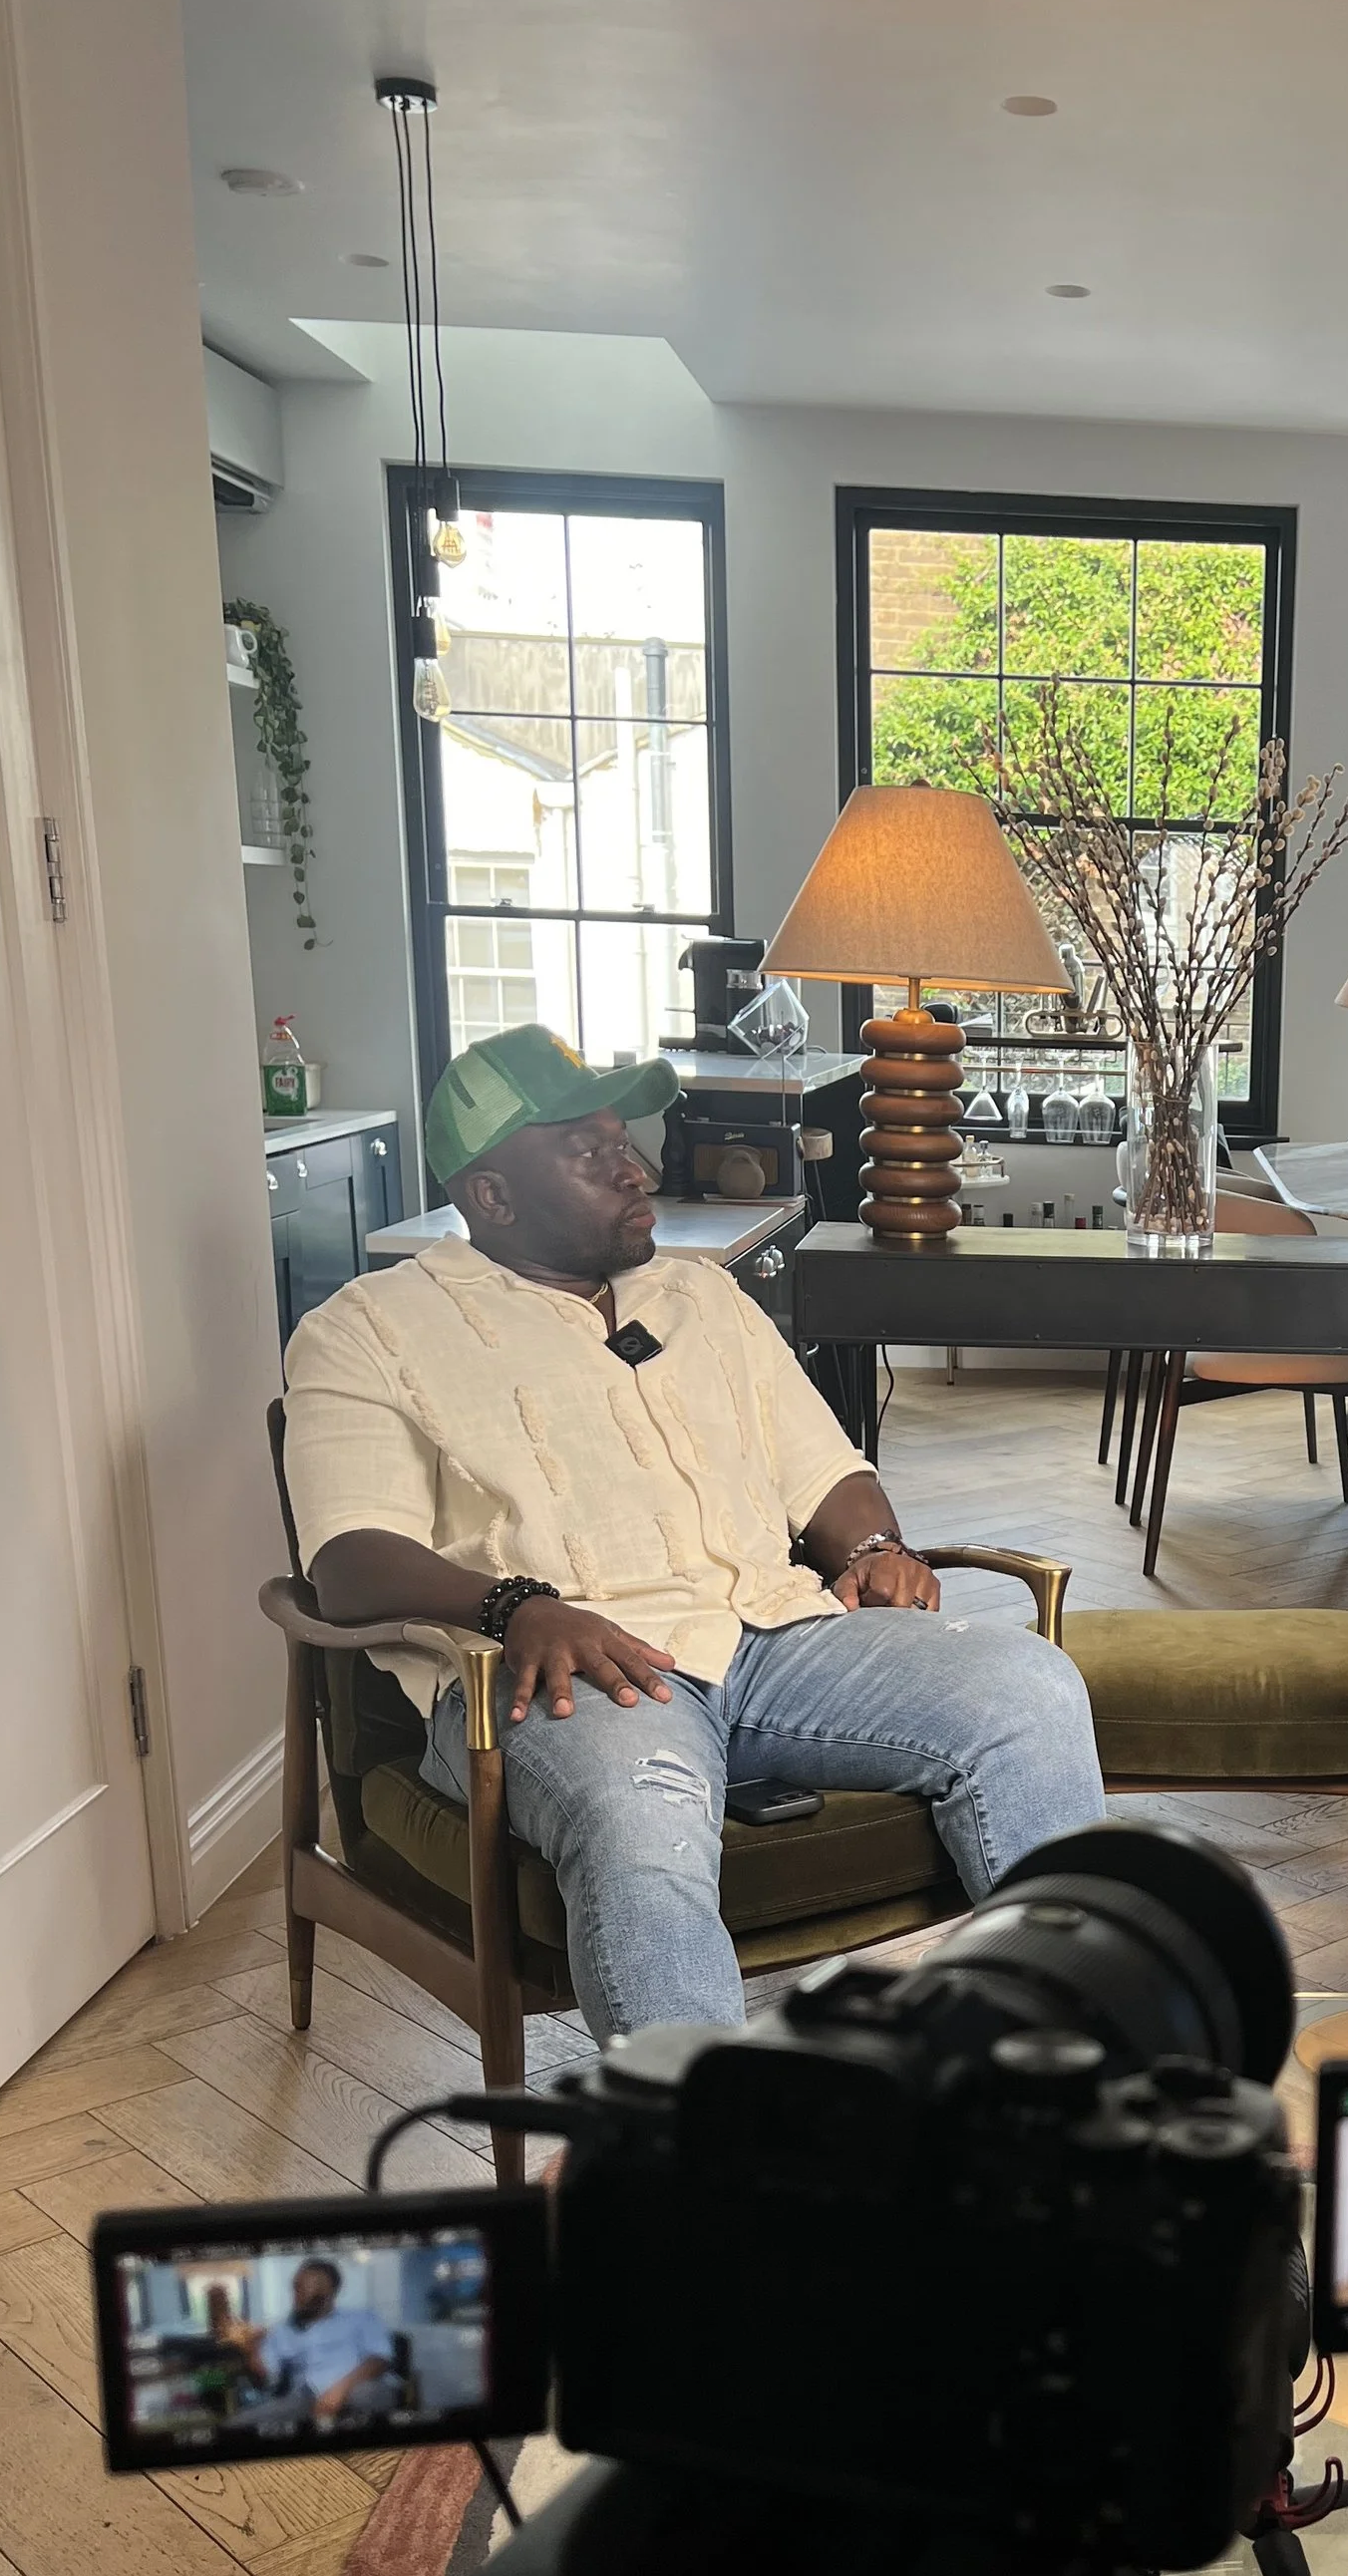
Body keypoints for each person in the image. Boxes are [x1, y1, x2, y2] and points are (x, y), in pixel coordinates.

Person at [284, 1025, 1105, 2042]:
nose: (636, 1167)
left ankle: (1069, 2063)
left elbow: (827, 1471)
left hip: (776, 1637)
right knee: (642, 1813)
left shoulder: (701, 1295)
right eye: (590, 1153)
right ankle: (696, 2127)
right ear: (492, 1195)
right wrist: (518, 1606)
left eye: (624, 1140)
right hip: (566, 1679)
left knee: (1029, 1687)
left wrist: (873, 1550)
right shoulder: (367, 1330)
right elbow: (349, 1560)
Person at [227, 2259, 399, 2432]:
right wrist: (253, 2349)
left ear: (327, 2290)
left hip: (357, 2387)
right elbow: (266, 2379)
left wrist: (338, 2392)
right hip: (305, 2399)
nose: (295, 2294)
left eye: (301, 2287)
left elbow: (379, 2360)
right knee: (236, 2426)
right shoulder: (282, 2330)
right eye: (294, 2287)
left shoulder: (362, 2318)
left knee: (365, 2396)